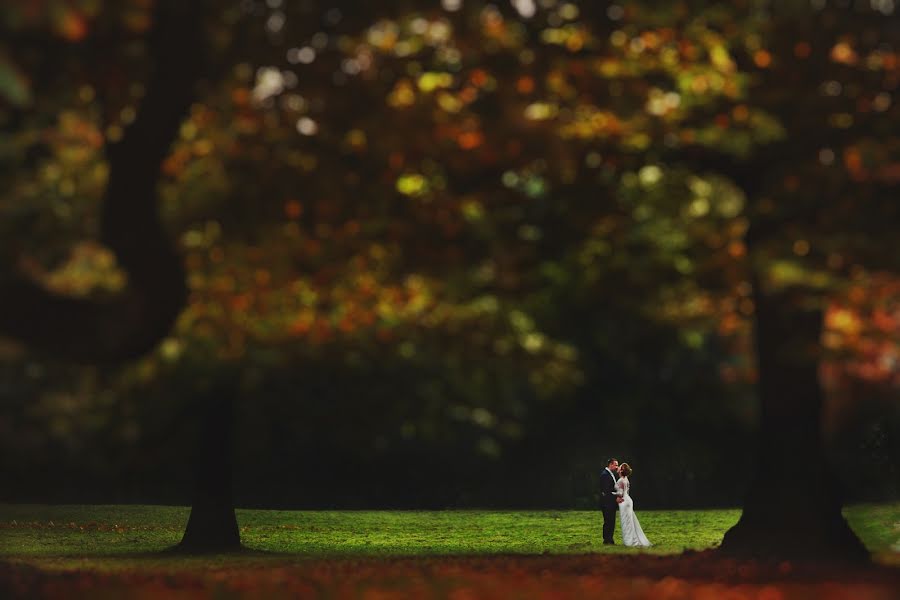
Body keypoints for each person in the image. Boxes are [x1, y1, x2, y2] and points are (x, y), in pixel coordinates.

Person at [614, 462, 652, 547]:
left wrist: (617, 497)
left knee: (626, 521)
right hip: (628, 500)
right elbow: (626, 491)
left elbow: (620, 493)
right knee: (630, 521)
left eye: (619, 466)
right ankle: (633, 539)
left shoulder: (620, 480)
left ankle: (630, 541)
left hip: (624, 501)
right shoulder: (626, 478)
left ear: (621, 470)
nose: (618, 467)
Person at [598, 458, 619, 545]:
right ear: (610, 464)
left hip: (610, 502)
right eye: (616, 465)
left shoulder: (609, 474)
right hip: (607, 502)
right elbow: (606, 491)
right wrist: (616, 495)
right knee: (608, 521)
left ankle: (609, 539)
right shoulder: (605, 474)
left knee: (611, 521)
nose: (617, 467)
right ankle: (607, 539)